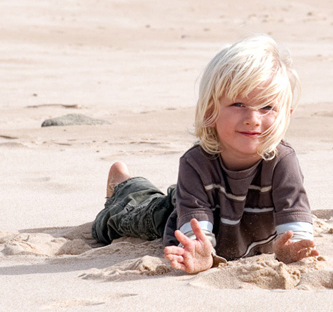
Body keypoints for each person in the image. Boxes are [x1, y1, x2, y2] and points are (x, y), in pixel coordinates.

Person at [92, 34, 319, 274]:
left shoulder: (283, 161)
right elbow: (196, 234)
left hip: (227, 215)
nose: (253, 119)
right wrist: (202, 252)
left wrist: (292, 248)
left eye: (267, 107)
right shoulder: (195, 162)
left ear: (286, 115)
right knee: (127, 217)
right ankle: (124, 184)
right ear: (211, 110)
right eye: (238, 104)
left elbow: (296, 218)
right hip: (182, 209)